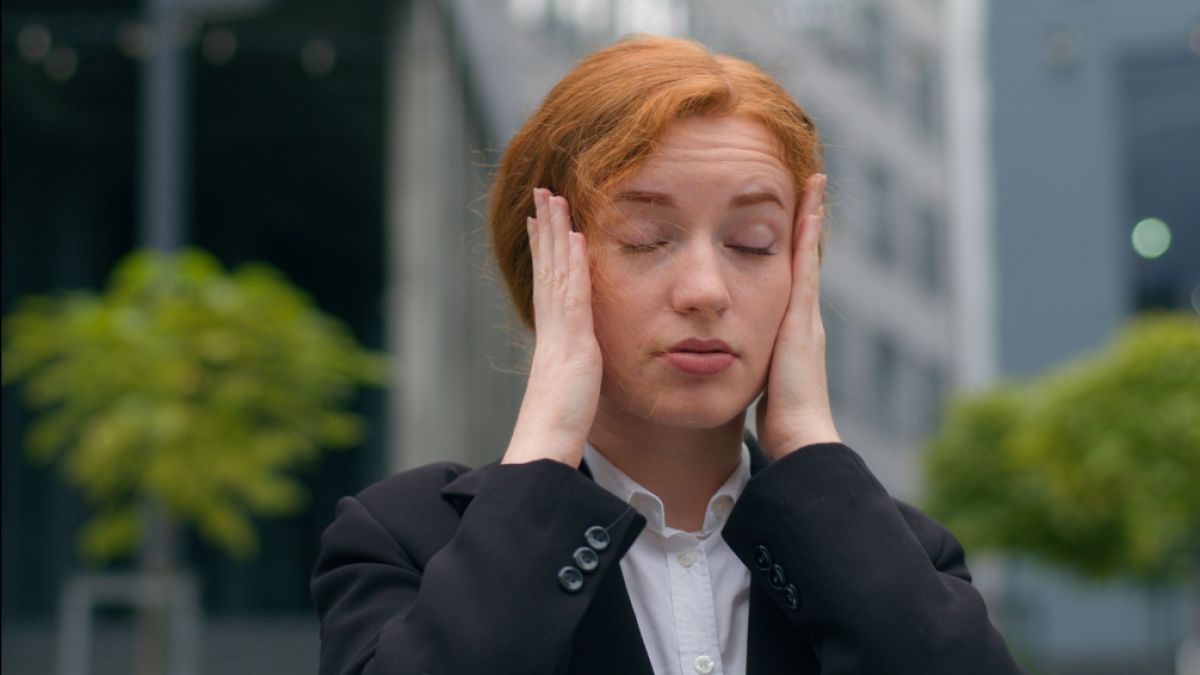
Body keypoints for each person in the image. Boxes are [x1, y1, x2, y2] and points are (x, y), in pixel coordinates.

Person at [311, 35, 1026, 675]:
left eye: (752, 244)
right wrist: (543, 451)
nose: (705, 290)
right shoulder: (406, 540)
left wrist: (810, 444)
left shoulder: (900, 557)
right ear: (549, 264)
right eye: (648, 239)